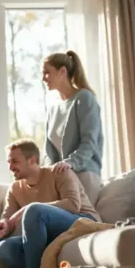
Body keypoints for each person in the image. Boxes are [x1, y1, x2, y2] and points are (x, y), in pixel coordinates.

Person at [0, 139, 101, 268]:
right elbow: (8, 217)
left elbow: (73, 204)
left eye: (15, 161)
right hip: (50, 235)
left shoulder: (60, 172)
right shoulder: (15, 188)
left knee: (34, 210)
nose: (10, 167)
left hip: (82, 223)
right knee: (5, 248)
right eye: (9, 162)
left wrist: (27, 208)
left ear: (33, 160)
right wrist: (2, 226)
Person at [42, 50, 104, 204]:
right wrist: (49, 173)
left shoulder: (84, 98)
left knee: (81, 224)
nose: (43, 78)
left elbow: (89, 142)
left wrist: (70, 163)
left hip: (84, 174)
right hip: (62, 179)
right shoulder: (53, 107)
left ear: (62, 71)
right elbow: (49, 149)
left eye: (47, 73)